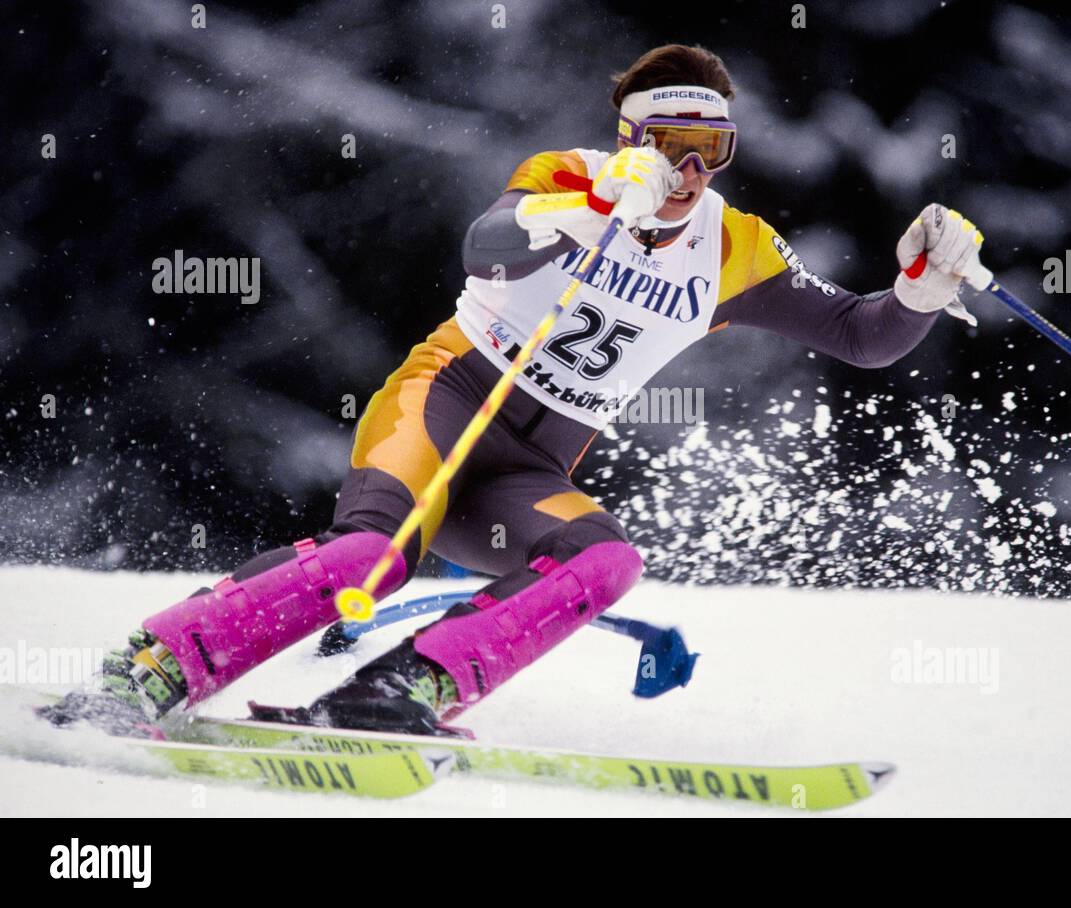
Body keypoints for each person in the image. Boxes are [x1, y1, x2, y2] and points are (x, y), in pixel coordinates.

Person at [46, 43, 985, 736]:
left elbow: (862, 335)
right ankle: (157, 664)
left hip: (528, 468)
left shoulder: (735, 247)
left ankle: (401, 688)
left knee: (605, 561)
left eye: (714, 150)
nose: (692, 174)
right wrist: (587, 211)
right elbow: (485, 249)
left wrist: (922, 285)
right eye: (674, 147)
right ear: (631, 139)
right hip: (447, 401)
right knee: (369, 559)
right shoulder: (567, 177)